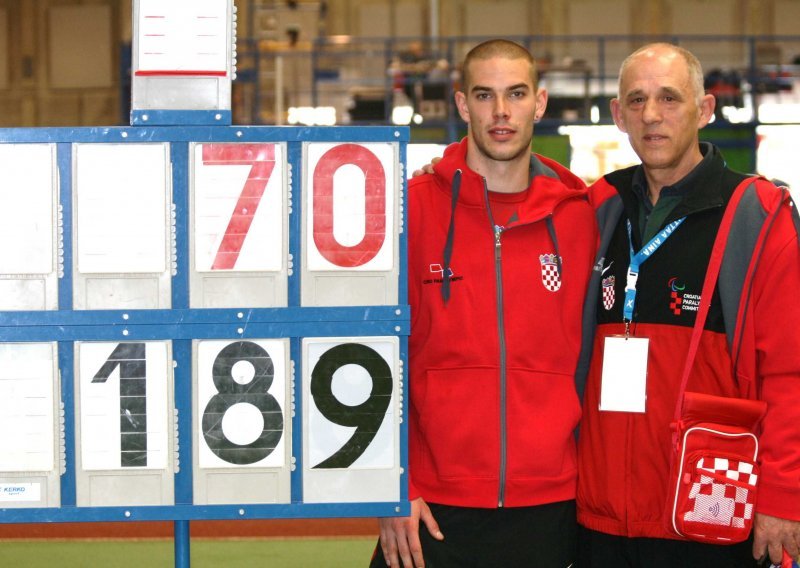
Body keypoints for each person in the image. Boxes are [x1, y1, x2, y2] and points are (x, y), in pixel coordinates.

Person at [370, 39, 597, 568]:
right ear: (461, 104)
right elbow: (377, 357)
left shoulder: (582, 214)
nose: (501, 112)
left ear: (539, 103)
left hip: (551, 503)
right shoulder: (412, 209)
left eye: (516, 94)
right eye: (485, 95)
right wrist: (394, 481)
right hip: (431, 504)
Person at [576, 42, 800, 567]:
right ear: (617, 115)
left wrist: (784, 495)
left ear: (704, 110)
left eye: (669, 98)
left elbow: (790, 370)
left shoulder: (758, 217)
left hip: (710, 515)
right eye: (636, 100)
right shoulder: (598, 208)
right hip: (602, 520)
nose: (651, 115)